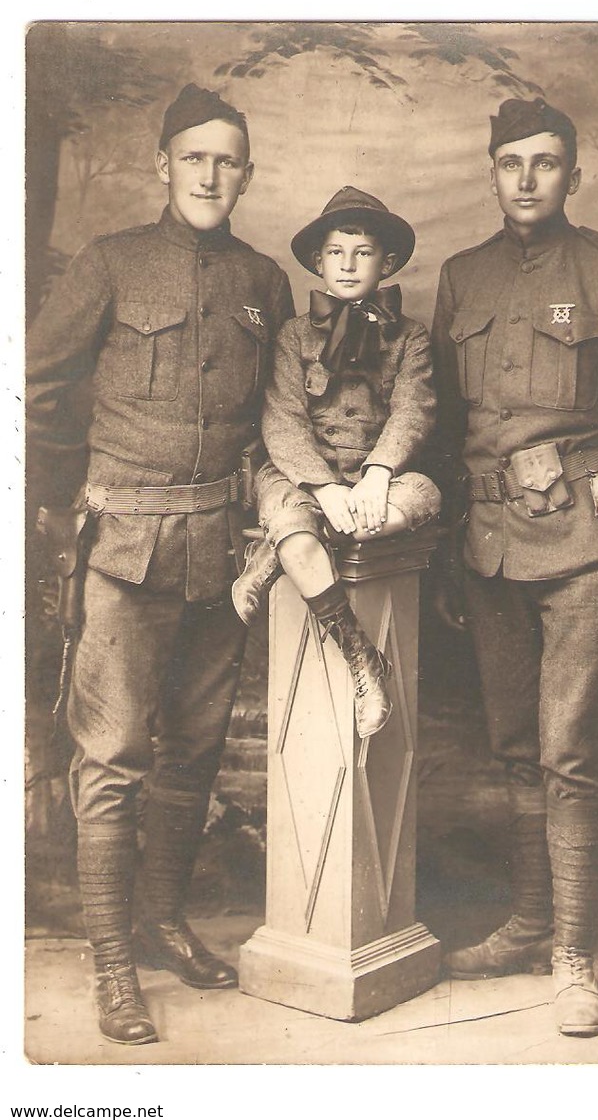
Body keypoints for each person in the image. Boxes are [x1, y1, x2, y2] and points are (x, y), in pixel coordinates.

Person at [26, 83, 294, 1045]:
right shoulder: (110, 264)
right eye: (193, 158)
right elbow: (39, 386)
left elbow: (276, 416)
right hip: (124, 548)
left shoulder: (265, 281)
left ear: (246, 175)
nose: (210, 175)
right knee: (111, 761)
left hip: (221, 552)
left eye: (227, 161)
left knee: (193, 751)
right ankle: (109, 969)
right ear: (163, 167)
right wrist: (66, 507)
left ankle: (161, 920)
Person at [431, 97, 598, 1037]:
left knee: (566, 752)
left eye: (545, 162)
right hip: (489, 546)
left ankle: (573, 955)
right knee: (511, 749)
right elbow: (447, 428)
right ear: (492, 172)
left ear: (572, 175)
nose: (528, 178)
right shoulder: (460, 277)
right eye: (511, 162)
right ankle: (529, 924)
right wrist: (457, 538)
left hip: (583, 544)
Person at [231, 186, 441, 737]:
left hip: (377, 478)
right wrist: (323, 488)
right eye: (336, 253)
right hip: (304, 475)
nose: (348, 265)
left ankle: (276, 548)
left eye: (364, 252)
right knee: (295, 521)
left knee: (426, 497)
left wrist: (378, 473)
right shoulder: (293, 335)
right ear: (318, 262)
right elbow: (281, 420)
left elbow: (413, 410)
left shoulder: (410, 336)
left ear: (387, 261)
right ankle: (361, 657)